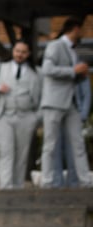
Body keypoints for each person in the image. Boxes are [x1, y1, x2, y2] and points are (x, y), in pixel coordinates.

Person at [0, 41, 41, 189]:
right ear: (13, 51)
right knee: (6, 150)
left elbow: (40, 98)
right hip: (4, 115)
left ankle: (18, 185)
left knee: (22, 153)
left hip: (25, 116)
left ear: (28, 54)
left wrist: (35, 118)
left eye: (23, 52)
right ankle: (6, 185)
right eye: (17, 51)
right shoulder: (0, 67)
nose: (20, 54)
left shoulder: (36, 73)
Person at [39, 17, 92, 188]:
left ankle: (85, 180)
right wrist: (72, 70)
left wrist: (79, 75)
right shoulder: (55, 46)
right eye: (81, 30)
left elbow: (69, 76)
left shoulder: (73, 51)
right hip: (54, 102)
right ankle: (47, 182)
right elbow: (47, 69)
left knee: (78, 143)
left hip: (71, 103)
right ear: (75, 29)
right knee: (50, 144)